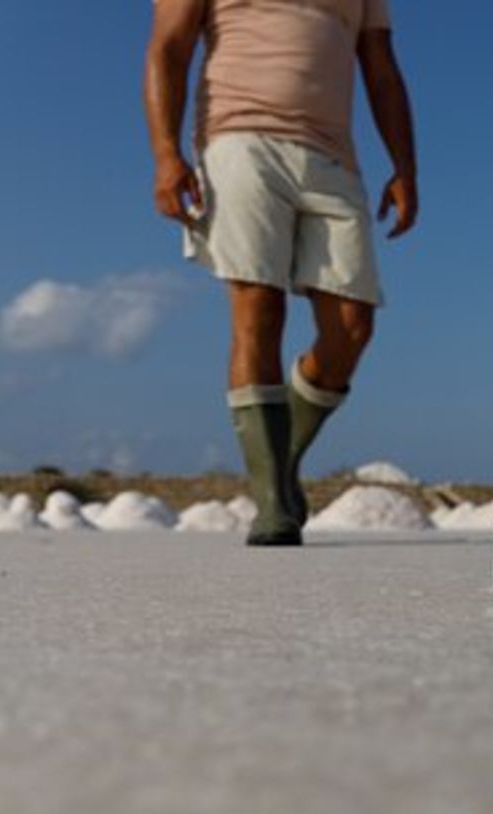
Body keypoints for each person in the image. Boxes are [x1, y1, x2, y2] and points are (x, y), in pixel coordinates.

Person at [144, 0, 418, 546]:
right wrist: (166, 154)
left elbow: (381, 68)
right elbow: (168, 47)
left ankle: (280, 457)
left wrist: (405, 166)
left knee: (352, 326)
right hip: (238, 138)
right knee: (258, 310)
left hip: (332, 157)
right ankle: (273, 504)